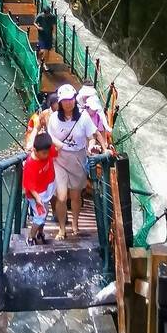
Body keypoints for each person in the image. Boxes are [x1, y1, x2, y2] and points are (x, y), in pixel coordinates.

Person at [48, 83, 106, 240]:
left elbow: (92, 136)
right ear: (60, 102)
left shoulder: (83, 116)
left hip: (78, 159)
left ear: (75, 99)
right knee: (61, 197)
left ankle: (75, 224)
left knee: (75, 196)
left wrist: (94, 147)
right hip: (60, 160)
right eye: (65, 100)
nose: (69, 102)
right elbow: (49, 136)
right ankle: (62, 228)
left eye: (71, 99)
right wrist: (57, 144)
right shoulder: (54, 118)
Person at [22, 131, 58, 245]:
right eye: (43, 153)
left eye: (47, 152)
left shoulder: (47, 149)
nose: (47, 155)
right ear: (35, 150)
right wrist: (37, 198)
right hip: (36, 194)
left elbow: (57, 151)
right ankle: (30, 237)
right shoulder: (30, 164)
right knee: (40, 215)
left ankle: (40, 232)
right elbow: (29, 185)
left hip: (46, 187)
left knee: (45, 213)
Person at [34, 4, 57, 72]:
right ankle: (38, 54)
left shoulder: (53, 17)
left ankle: (45, 64)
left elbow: (54, 26)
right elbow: (34, 23)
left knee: (47, 51)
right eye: (46, 13)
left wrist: (54, 35)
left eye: (48, 13)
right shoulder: (40, 16)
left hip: (49, 35)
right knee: (43, 50)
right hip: (42, 35)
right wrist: (38, 27)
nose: (47, 15)